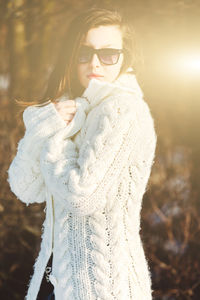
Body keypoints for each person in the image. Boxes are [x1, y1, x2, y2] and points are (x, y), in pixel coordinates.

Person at [7, 7, 157, 300]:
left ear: (125, 57)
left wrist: (55, 137)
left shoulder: (123, 110)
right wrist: (43, 128)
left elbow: (81, 197)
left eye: (109, 54)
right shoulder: (76, 108)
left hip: (103, 287)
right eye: (84, 53)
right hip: (56, 280)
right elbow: (25, 187)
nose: (95, 63)